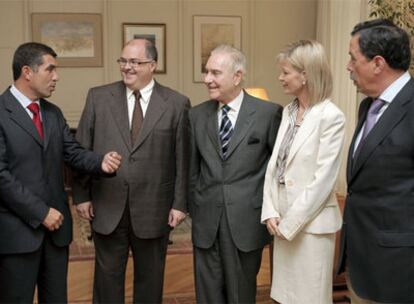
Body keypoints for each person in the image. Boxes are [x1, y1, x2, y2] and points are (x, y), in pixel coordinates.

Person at [0, 42, 121, 303]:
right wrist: (41, 212)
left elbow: (72, 152)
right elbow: (1, 176)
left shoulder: (52, 113)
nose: (56, 77)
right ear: (27, 72)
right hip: (17, 235)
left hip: (56, 235)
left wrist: (101, 162)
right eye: (50, 69)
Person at [72, 38, 190, 304]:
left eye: (135, 62)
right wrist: (81, 195)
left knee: (150, 281)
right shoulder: (98, 97)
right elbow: (81, 151)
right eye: (123, 61)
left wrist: (180, 204)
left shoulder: (176, 103)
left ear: (153, 65)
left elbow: (182, 158)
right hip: (107, 205)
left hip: (154, 209)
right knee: (106, 280)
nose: (127, 67)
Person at [188, 44, 282, 303]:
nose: (207, 79)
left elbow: (277, 171)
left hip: (246, 222)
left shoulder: (268, 114)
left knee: (241, 295)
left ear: (237, 76)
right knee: (207, 295)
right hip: (206, 221)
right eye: (207, 72)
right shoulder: (196, 116)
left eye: (215, 73)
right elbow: (191, 169)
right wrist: (196, 205)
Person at [261, 40, 345, 303]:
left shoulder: (331, 117)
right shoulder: (289, 111)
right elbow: (275, 167)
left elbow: (323, 180)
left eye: (286, 72)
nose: (280, 78)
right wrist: (270, 211)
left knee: (309, 298)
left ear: (305, 75)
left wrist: (290, 222)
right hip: (282, 220)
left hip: (310, 227)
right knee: (285, 296)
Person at [337, 18, 414, 303]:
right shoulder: (367, 106)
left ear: (378, 63)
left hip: (400, 271)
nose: (348, 66)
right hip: (361, 263)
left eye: (352, 58)